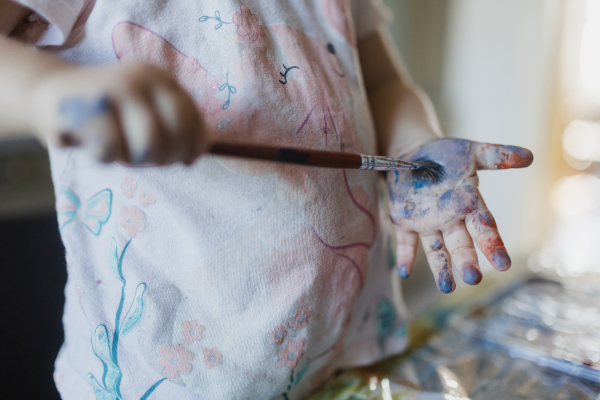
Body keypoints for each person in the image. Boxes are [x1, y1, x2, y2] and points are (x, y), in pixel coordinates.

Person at [0, 0, 533, 399]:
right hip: (167, 377)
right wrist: (51, 93)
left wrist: (418, 147)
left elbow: (385, 81)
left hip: (340, 351)